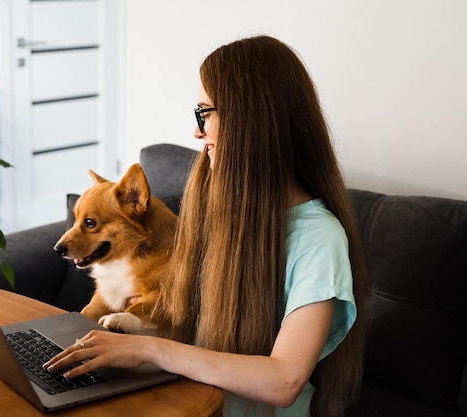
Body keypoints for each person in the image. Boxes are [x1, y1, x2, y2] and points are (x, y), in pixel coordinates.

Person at [44, 35, 367, 417]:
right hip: (186, 400)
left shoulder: (319, 238)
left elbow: (283, 381)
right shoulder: (222, 211)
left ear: (251, 120)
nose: (197, 133)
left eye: (205, 114)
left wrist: (149, 349)